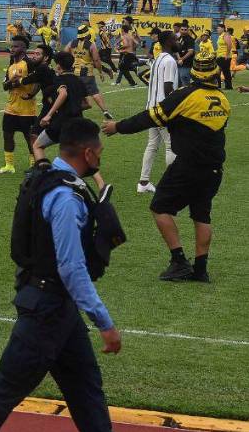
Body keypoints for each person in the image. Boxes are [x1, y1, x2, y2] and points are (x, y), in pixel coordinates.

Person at [0, 118, 122, 432]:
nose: (100, 159)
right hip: (47, 310)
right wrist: (104, 322)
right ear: (88, 153)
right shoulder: (67, 197)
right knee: (4, 392)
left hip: (55, 307)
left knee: (86, 389)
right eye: (99, 153)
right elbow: (71, 268)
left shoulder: (46, 178)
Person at [102, 51, 230, 283]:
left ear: (193, 72)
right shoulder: (222, 99)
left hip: (188, 166)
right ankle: (200, 270)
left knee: (160, 207)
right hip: (213, 168)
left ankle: (179, 261)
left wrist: (117, 127)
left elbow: (149, 118)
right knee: (202, 215)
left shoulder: (185, 95)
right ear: (215, 73)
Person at [134, 30, 178, 194]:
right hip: (163, 109)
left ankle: (143, 182)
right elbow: (168, 88)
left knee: (152, 145)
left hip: (151, 108)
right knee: (171, 145)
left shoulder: (158, 58)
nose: (177, 40)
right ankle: (172, 184)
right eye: (175, 38)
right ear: (168, 42)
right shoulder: (170, 60)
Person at [32, 53, 89, 165]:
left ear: (58, 65)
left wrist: (49, 115)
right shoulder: (79, 81)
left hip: (60, 122)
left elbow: (63, 94)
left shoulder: (60, 79)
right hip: (77, 122)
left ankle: (44, 172)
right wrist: (74, 107)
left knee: (37, 146)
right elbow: (87, 104)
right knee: (74, 154)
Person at [0, 36, 37, 174]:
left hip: (27, 109)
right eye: (12, 46)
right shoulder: (11, 65)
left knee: (29, 137)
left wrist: (31, 94)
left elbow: (38, 81)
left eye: (15, 47)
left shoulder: (29, 63)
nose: (12, 49)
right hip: (11, 108)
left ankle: (33, 165)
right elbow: (5, 86)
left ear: (23, 49)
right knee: (7, 135)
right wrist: (11, 81)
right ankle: (9, 165)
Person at [64, 24, 112, 119]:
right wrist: (100, 72)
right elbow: (97, 60)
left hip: (74, 73)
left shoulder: (71, 43)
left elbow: (64, 54)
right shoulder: (91, 45)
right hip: (87, 73)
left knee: (77, 94)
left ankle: (72, 110)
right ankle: (105, 110)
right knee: (94, 93)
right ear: (87, 34)